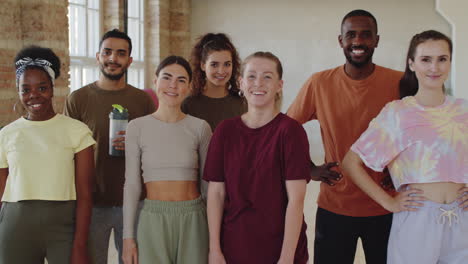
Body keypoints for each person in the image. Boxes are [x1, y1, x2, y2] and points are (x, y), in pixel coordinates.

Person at [287, 9, 403, 264]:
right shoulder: (319, 83)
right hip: (335, 206)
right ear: (341, 40)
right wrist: (309, 169)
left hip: (386, 205)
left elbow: (418, 134)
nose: (358, 42)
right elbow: (286, 131)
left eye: (365, 35)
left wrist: (405, 175)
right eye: (351, 35)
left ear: (377, 40)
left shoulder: (398, 82)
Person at [343, 30, 468, 264]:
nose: (435, 67)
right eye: (425, 59)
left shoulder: (463, 111)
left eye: (442, 59)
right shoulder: (398, 113)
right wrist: (388, 201)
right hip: (417, 221)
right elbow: (351, 162)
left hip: (462, 221)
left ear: (451, 62)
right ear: (411, 64)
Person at [205, 52, 310, 264]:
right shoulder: (225, 131)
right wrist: (214, 250)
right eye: (251, 76)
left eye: (267, 77)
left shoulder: (291, 131)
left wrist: (286, 258)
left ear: (279, 85)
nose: (258, 83)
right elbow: (216, 194)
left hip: (281, 249)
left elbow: (296, 200)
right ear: (241, 83)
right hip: (234, 246)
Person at [64, 29, 156, 264]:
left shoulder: (143, 100)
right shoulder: (78, 99)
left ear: (130, 60)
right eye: (107, 52)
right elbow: (67, 153)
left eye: (120, 53)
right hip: (92, 202)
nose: (113, 58)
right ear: (98, 56)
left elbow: (155, 150)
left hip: (135, 202)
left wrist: (136, 145)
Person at [0, 46, 95, 264]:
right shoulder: (6, 135)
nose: (34, 95)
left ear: (52, 89)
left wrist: (80, 245)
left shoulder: (77, 131)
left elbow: (85, 194)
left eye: (42, 88)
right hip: (15, 224)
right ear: (19, 92)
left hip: (64, 225)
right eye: (26, 90)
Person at [122, 55, 212, 264]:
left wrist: (215, 238)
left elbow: (208, 185)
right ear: (155, 82)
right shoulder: (136, 127)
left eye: (181, 80)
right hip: (152, 219)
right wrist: (128, 238)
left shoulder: (200, 127)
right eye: (166, 77)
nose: (173, 85)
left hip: (194, 219)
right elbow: (132, 185)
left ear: (189, 87)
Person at [182, 33, 246, 131]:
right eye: (214, 64)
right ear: (203, 65)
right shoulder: (188, 105)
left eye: (227, 64)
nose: (221, 71)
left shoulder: (242, 104)